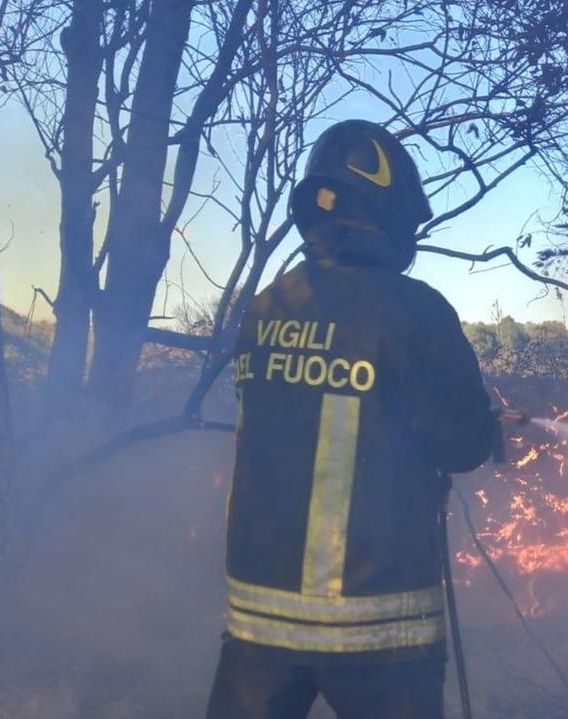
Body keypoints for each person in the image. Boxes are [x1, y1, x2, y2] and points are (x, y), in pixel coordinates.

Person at [206, 119, 497, 719]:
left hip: (260, 631)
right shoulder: (414, 310)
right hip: (379, 630)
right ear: (390, 216)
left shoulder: (267, 309)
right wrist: (490, 426)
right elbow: (460, 445)